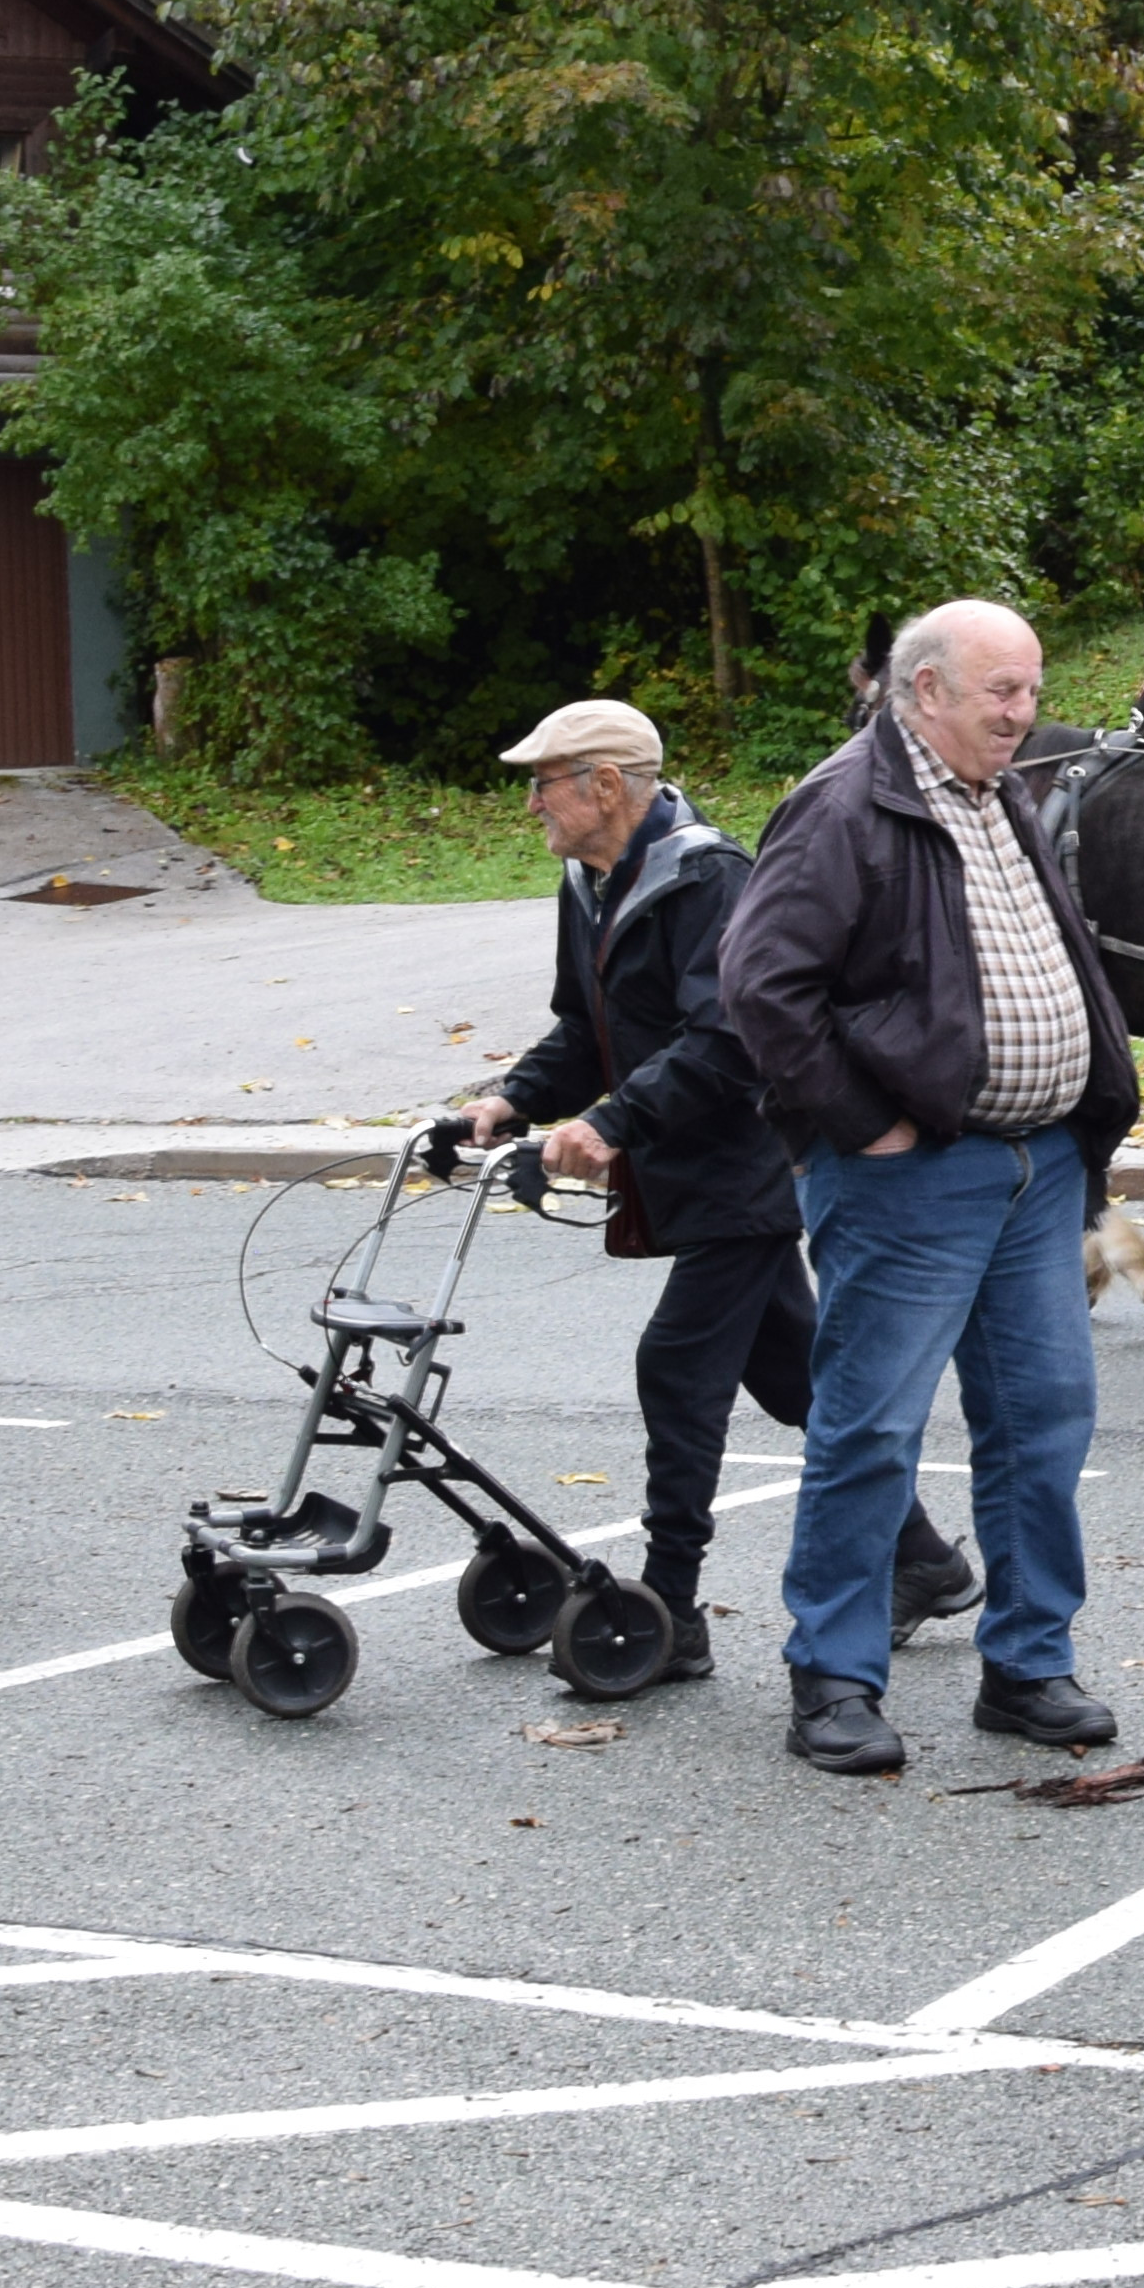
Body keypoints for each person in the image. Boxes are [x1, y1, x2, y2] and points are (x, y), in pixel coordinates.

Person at [717, 598, 1142, 1779]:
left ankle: (1028, 1664)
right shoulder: (844, 804)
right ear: (923, 693)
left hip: (1034, 1167)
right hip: (912, 1181)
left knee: (1044, 1417)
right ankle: (837, 1680)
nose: (1025, 711)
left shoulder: (996, 787)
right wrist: (868, 1124)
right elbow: (760, 986)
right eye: (999, 691)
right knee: (871, 1429)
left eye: (1030, 687)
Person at [459, 700, 968, 1686]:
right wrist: (511, 1101)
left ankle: (670, 1610)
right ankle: (927, 1561)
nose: (530, 803)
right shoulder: (592, 881)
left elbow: (730, 1040)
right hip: (682, 1174)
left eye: (544, 782)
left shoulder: (708, 876)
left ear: (606, 786)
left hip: (743, 1172)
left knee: (677, 1369)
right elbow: (585, 1030)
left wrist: (613, 1124)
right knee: (797, 1382)